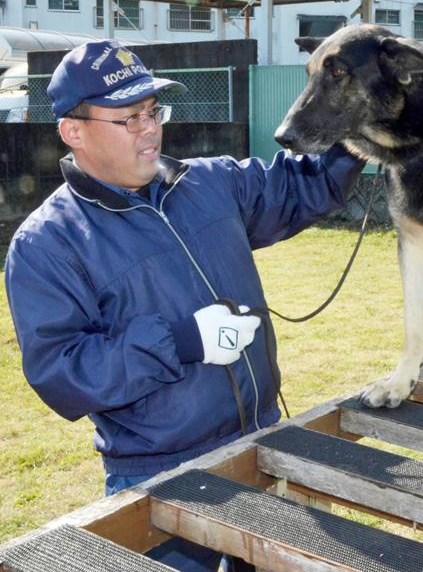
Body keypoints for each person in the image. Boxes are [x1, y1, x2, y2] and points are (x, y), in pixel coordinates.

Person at [5, 40, 365, 571]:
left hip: (259, 441)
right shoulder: (48, 244)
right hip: (158, 476)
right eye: (129, 118)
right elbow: (62, 374)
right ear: (73, 131)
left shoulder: (210, 182)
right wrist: (181, 342)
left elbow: (299, 185)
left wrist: (365, 130)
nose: (150, 130)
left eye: (153, 112)